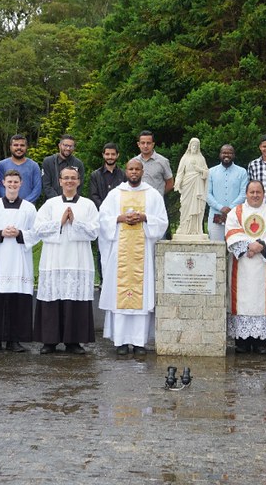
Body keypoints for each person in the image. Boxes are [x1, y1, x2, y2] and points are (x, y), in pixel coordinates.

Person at [98, 158, 169, 355]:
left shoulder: (152, 195)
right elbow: (102, 220)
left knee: (141, 296)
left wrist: (144, 217)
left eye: (137, 169)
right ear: (126, 171)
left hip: (142, 254)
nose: (134, 172)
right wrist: (120, 218)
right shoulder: (115, 194)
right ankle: (120, 342)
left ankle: (139, 343)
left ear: (142, 171)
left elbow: (162, 222)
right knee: (119, 295)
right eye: (131, 169)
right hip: (120, 252)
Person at [31, 167, 99, 354]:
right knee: (53, 296)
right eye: (66, 178)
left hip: (78, 259)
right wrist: (59, 222)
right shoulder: (50, 204)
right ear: (59, 181)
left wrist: (75, 222)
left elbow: (94, 232)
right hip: (54, 258)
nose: (69, 181)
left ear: (79, 181)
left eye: (73, 178)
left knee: (74, 298)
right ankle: (49, 341)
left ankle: (74, 342)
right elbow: (38, 229)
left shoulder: (88, 205)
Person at [0, 170, 38, 353]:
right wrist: (0, 233)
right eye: (9, 181)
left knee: (17, 299)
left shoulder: (29, 208)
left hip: (19, 259)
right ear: (3, 183)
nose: (12, 185)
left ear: (21, 184)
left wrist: (20, 233)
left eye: (15, 182)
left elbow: (36, 232)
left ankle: (15, 340)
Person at [224, 180, 266, 354]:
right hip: (241, 264)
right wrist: (249, 246)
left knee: (261, 301)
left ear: (263, 193)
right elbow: (231, 232)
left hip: (264, 266)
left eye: (258, 192)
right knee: (241, 301)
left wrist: (261, 245)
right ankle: (242, 342)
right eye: (252, 192)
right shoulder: (236, 212)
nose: (255, 195)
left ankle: (261, 342)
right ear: (246, 193)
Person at [206, 144, 248, 241]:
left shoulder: (242, 172)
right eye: (224, 152)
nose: (227, 155)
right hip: (215, 215)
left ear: (234, 155)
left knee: (235, 248)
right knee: (216, 248)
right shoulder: (211, 172)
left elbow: (243, 193)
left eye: (230, 153)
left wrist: (230, 208)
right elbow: (207, 194)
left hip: (236, 215)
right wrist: (221, 208)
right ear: (220, 154)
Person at [174, 138, 210, 236]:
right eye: (193, 145)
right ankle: (184, 227)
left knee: (197, 205)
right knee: (185, 205)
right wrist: (178, 183)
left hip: (198, 184)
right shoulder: (185, 158)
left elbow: (206, 173)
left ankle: (196, 229)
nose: (194, 147)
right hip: (187, 184)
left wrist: (199, 169)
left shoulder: (201, 158)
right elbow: (180, 172)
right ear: (190, 146)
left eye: (196, 146)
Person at [0, 134, 42, 202]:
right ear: (10, 147)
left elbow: (37, 188)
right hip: (6, 207)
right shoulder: (1, 165)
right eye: (15, 145)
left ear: (26, 147)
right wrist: (10, 201)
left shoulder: (34, 166)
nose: (19, 147)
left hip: (28, 207)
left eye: (22, 145)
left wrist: (24, 203)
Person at [41, 134, 85, 199]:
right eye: (66, 145)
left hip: (72, 202)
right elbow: (46, 185)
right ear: (59, 145)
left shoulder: (78, 164)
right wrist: (59, 200)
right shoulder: (48, 162)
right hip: (52, 202)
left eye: (71, 146)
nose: (68, 148)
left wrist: (70, 199)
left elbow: (79, 185)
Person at [136, 130, 174, 196]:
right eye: (143, 143)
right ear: (138, 144)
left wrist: (159, 194)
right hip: (138, 202)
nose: (145, 146)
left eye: (148, 143)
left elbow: (170, 184)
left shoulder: (163, 161)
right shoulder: (134, 162)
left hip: (156, 203)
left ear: (153, 144)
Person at [89, 143, 125, 209]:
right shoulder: (95, 175)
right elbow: (94, 196)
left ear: (117, 155)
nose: (110, 157)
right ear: (103, 155)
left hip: (119, 212)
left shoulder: (124, 175)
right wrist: (104, 209)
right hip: (101, 212)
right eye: (107, 154)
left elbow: (126, 194)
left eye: (113, 154)